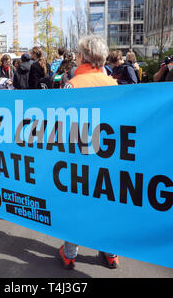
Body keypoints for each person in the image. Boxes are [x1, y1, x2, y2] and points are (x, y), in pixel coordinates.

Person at [60, 35, 119, 270]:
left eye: (77, 53)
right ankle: (110, 252)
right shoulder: (113, 84)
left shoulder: (72, 85)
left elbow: (60, 124)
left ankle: (71, 252)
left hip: (78, 157)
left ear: (83, 56)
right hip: (108, 156)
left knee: (76, 205)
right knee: (106, 203)